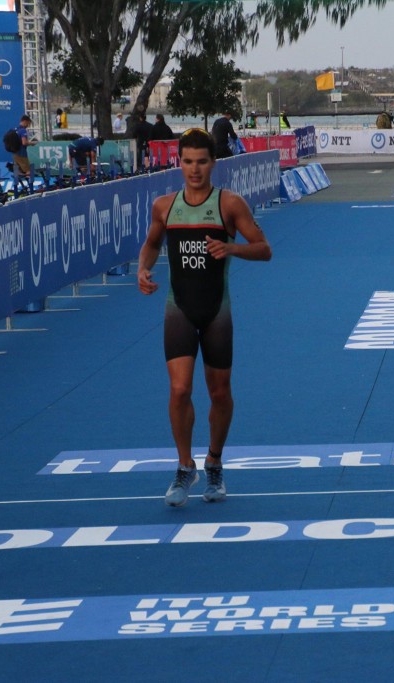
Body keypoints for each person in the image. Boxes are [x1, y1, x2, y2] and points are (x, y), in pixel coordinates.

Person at [137, 128, 272, 507]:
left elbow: (264, 249)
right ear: (178, 162)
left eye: (201, 162)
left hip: (217, 312)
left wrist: (231, 247)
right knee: (179, 390)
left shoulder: (229, 204)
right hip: (179, 308)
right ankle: (184, 467)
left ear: (213, 163)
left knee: (219, 393)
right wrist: (143, 271)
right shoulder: (164, 205)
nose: (194, 169)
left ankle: (214, 461)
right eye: (187, 162)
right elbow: (150, 245)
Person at [9, 114, 37, 191]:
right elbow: (24, 143)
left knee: (18, 173)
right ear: (25, 121)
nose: (28, 126)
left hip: (14, 153)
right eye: (28, 123)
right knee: (29, 171)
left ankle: (17, 189)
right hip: (22, 154)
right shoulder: (23, 130)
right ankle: (30, 189)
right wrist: (32, 143)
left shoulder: (15, 129)